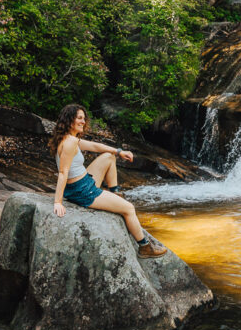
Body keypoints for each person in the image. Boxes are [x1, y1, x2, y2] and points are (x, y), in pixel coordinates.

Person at [49, 103, 167, 258]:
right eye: (79, 118)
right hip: (83, 190)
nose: (83, 122)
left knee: (109, 156)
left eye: (84, 118)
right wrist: (57, 202)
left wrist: (118, 151)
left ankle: (115, 194)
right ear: (69, 120)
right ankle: (145, 247)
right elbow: (63, 172)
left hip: (83, 182)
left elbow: (94, 146)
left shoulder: (68, 138)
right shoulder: (70, 142)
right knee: (129, 209)